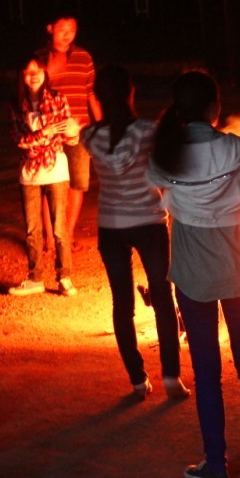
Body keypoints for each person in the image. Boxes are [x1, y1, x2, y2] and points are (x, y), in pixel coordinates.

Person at [146, 71, 240, 478]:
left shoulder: (165, 155)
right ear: (215, 108)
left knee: (206, 372)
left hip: (192, 272)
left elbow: (161, 197)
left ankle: (216, 466)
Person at [81, 65, 189, 401]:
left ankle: (138, 381)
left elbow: (107, 141)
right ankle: (171, 377)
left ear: (98, 98)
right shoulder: (146, 131)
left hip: (111, 226)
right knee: (162, 296)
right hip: (148, 222)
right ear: (131, 93)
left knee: (121, 303)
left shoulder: (89, 136)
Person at [7, 52, 80, 297]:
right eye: (28, 72)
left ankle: (65, 277)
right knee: (32, 229)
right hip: (29, 173)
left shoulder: (58, 99)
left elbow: (68, 136)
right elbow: (18, 140)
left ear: (44, 73)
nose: (34, 75)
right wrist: (44, 134)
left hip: (57, 169)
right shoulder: (17, 105)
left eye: (37, 70)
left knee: (60, 228)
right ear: (22, 77)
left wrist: (72, 132)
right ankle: (35, 277)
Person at [38, 13, 99, 252]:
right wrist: (50, 71)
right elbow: (31, 92)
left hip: (80, 131)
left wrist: (100, 128)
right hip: (50, 133)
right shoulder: (39, 58)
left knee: (77, 184)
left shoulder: (84, 57)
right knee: (49, 184)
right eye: (62, 29)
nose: (67, 35)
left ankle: (67, 234)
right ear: (50, 28)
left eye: (72, 29)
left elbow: (91, 94)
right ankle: (50, 237)